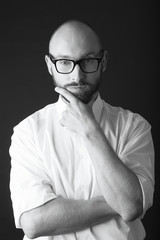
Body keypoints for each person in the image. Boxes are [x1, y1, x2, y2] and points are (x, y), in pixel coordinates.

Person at [9, 20, 155, 240]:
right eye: (65, 62)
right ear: (50, 64)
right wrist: (116, 202)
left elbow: (132, 207)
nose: (77, 76)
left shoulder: (135, 127)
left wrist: (90, 130)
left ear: (103, 61)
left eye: (87, 60)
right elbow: (34, 222)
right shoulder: (27, 133)